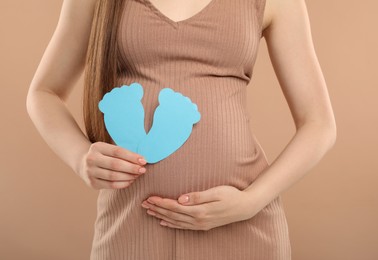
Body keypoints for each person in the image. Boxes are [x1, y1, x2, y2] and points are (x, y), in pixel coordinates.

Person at [26, 0, 337, 259]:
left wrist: (250, 202)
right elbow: (44, 93)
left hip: (242, 227)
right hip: (131, 227)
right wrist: (81, 158)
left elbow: (318, 124)